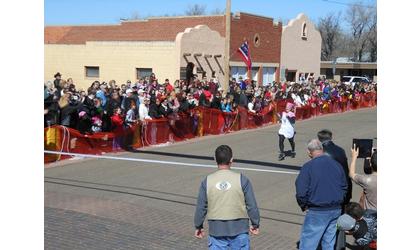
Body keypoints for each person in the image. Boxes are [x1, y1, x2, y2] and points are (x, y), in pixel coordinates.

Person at [194, 145, 260, 250]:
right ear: (231, 160)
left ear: (215, 159)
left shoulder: (207, 181)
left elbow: (201, 207)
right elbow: (252, 205)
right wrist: (255, 223)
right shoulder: (242, 179)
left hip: (216, 230)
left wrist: (198, 225)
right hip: (240, 229)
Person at [295, 139, 348, 250]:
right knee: (329, 243)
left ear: (309, 152)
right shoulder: (336, 165)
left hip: (317, 210)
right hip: (336, 209)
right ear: (322, 150)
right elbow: (344, 186)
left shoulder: (308, 167)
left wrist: (304, 205)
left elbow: (301, 191)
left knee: (308, 243)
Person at [317, 129, 351, 250]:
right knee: (339, 223)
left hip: (325, 195)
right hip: (340, 193)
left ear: (319, 140)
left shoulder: (320, 154)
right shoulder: (340, 150)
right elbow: (346, 174)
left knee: (324, 224)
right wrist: (347, 196)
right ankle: (339, 246)